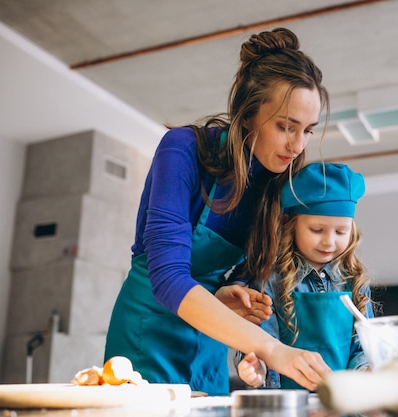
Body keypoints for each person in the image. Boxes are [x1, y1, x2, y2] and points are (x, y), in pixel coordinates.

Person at [104, 27, 332, 396]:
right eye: (286, 127)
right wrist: (271, 349)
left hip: (210, 335)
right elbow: (168, 279)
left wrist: (235, 297)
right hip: (148, 331)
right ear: (246, 116)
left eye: (308, 130)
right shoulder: (183, 151)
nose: (297, 145)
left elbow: (250, 276)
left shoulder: (278, 185)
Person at [235, 162, 374, 389]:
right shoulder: (269, 281)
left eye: (341, 231)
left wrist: (367, 371)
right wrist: (256, 368)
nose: (329, 241)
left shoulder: (355, 282)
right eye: (317, 230)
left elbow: (362, 349)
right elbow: (263, 345)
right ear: (291, 224)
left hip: (344, 406)